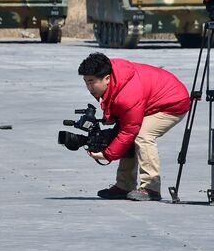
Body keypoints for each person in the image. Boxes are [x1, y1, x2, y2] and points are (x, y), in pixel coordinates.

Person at [78, 52, 190, 201]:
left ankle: (151, 187)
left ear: (107, 78)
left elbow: (129, 129)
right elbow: (116, 105)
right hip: (150, 101)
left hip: (173, 103)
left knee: (142, 135)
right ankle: (124, 185)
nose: (89, 87)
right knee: (126, 134)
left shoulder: (127, 94)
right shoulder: (110, 74)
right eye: (86, 82)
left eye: (91, 82)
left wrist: (107, 154)